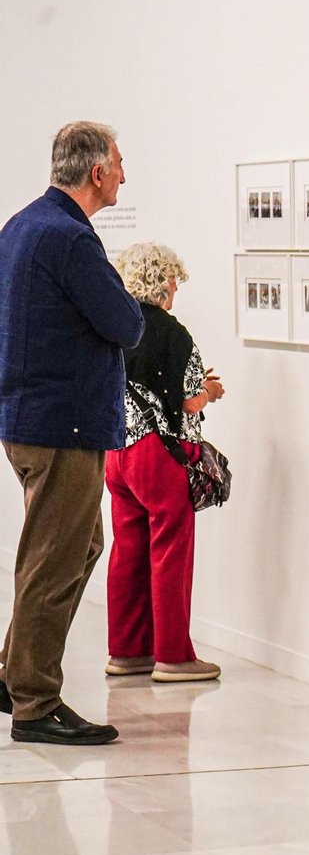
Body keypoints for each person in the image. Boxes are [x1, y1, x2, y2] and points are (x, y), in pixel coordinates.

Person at [0, 121, 142, 746]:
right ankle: (34, 703)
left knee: (75, 548)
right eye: (118, 164)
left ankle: (14, 674)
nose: (123, 176)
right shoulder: (70, 239)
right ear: (95, 173)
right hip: (64, 423)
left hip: (31, 417)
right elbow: (127, 323)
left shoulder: (24, 224)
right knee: (54, 558)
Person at [105, 243, 225, 683]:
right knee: (171, 550)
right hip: (157, 454)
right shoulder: (174, 334)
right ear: (163, 284)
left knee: (127, 549)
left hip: (115, 452)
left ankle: (126, 651)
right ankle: (173, 656)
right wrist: (210, 392)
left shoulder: (114, 326)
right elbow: (189, 402)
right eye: (174, 280)